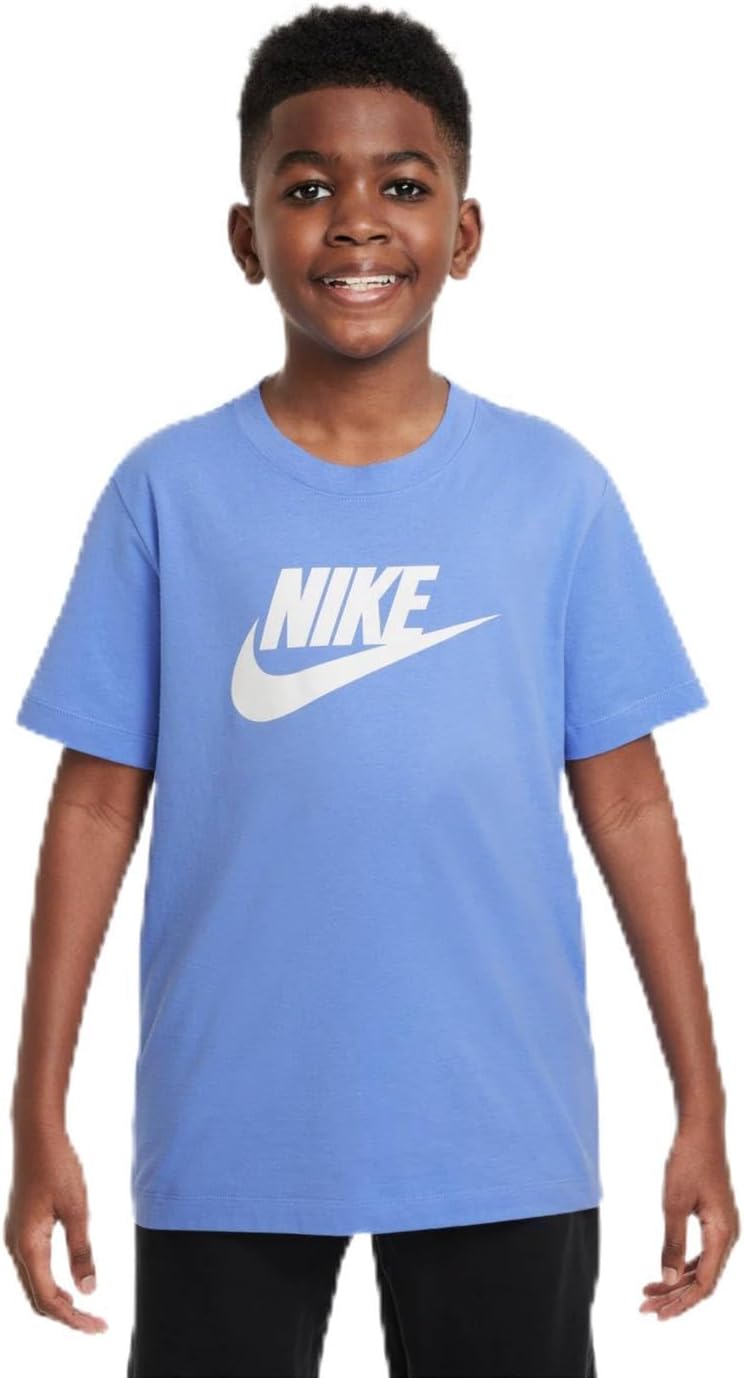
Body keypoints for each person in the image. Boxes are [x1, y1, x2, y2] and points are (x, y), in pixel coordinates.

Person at [5, 4, 739, 1375]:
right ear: (246, 237)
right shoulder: (168, 492)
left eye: (403, 186)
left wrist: (702, 1102)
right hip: (231, 1127)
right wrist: (34, 1112)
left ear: (465, 232)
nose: (355, 223)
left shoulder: (555, 490)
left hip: (499, 1127)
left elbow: (632, 803)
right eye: (307, 190)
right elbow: (94, 809)